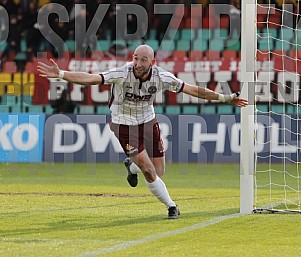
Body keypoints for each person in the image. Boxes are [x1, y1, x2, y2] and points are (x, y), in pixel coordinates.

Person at [37, 44, 248, 219]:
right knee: (149, 170)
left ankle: (131, 166)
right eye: (136, 58)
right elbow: (91, 78)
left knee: (159, 171)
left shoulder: (162, 77)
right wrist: (62, 74)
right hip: (123, 123)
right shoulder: (122, 73)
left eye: (143, 60)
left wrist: (224, 98)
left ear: (152, 63)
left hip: (148, 120)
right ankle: (171, 206)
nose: (138, 64)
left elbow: (193, 90)